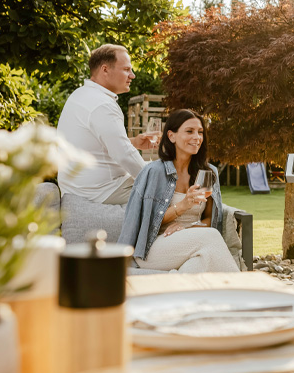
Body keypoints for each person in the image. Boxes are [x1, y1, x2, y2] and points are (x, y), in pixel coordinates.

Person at [119, 109, 239, 273]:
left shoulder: (207, 173)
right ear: (171, 136)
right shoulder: (154, 172)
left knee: (199, 263)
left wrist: (186, 230)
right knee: (211, 236)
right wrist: (182, 206)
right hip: (153, 247)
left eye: (200, 132)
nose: (197, 137)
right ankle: (241, 287)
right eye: (189, 131)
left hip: (193, 243)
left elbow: (209, 219)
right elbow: (144, 221)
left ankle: (176, 284)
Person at [57, 44, 154, 205]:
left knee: (160, 169)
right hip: (101, 191)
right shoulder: (102, 104)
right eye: (126, 69)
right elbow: (124, 155)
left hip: (78, 187)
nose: (133, 75)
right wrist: (155, 181)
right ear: (105, 70)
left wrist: (134, 142)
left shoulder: (81, 95)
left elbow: (93, 145)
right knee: (170, 183)